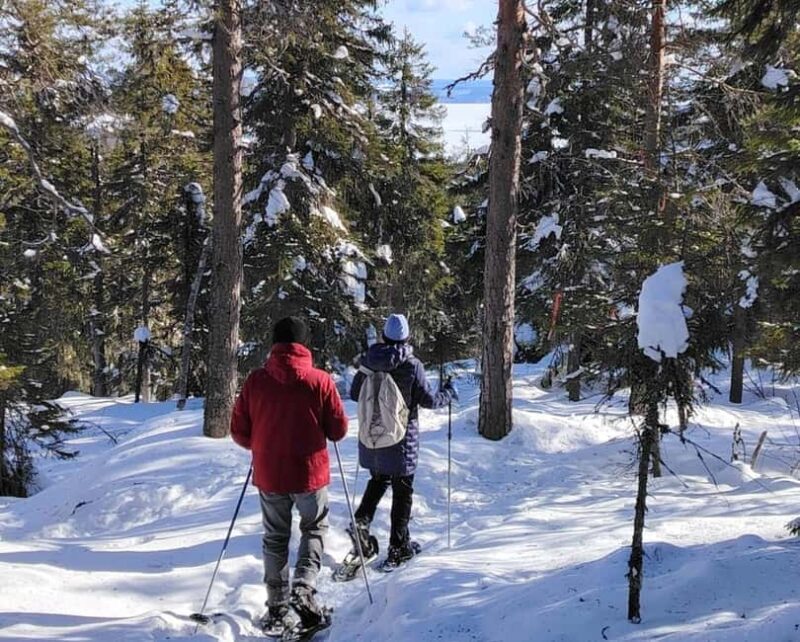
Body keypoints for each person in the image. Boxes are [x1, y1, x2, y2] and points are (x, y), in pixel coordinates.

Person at [230, 316, 348, 636]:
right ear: (303, 344)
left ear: (275, 344)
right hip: (310, 473)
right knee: (314, 528)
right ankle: (304, 585)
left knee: (275, 537)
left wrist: (261, 444)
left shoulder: (256, 381)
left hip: (270, 474)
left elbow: (239, 431)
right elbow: (338, 430)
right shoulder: (320, 380)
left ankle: (277, 607)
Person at [348, 313, 457, 570]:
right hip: (401, 440)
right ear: (407, 337)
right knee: (402, 491)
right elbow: (428, 400)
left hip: (373, 437)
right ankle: (398, 548)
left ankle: (361, 522)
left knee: (378, 481)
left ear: (383, 336)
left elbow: (354, 394)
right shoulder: (411, 365)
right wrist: (448, 393)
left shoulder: (368, 362)